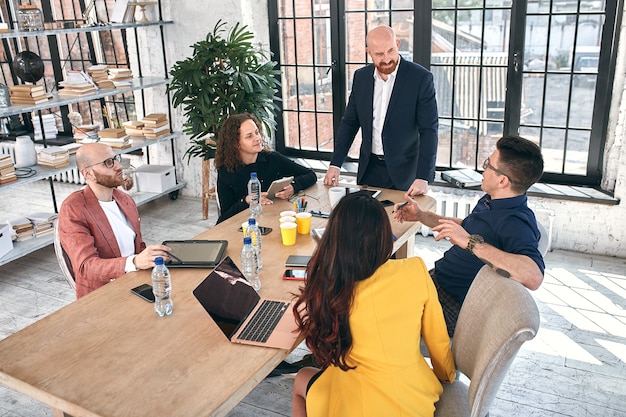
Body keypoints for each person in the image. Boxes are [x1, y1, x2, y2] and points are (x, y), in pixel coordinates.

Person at [291, 192, 455, 417]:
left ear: (334, 239)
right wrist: (446, 374)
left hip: (355, 403)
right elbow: (438, 339)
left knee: (302, 378)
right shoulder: (415, 270)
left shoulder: (330, 288)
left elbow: (323, 347)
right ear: (384, 236)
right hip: (413, 400)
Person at [394, 135, 545, 337]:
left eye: (488, 165)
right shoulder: (491, 200)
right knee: (371, 283)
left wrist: (471, 243)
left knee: (370, 309)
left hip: (451, 305)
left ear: (502, 180)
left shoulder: (517, 222)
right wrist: (422, 216)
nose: (483, 169)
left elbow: (533, 277)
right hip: (436, 281)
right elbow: (466, 228)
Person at [323, 25, 439, 196]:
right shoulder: (361, 78)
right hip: (370, 169)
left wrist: (423, 176)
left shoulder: (420, 78)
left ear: (397, 44)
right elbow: (349, 123)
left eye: (390, 51)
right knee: (365, 222)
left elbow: (429, 130)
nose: (387, 59)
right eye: (379, 54)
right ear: (368, 52)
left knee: (402, 222)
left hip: (406, 173)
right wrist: (335, 164)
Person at [58, 143, 172, 298]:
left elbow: (137, 247)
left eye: (115, 159)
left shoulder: (125, 199)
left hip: (136, 284)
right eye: (108, 163)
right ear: (88, 174)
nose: (118, 166)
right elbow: (86, 267)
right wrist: (135, 262)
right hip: (103, 296)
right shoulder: (73, 208)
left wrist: (150, 259)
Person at [215, 113, 317, 223]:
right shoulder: (226, 171)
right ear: (236, 144)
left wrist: (294, 187)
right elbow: (224, 217)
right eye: (249, 136)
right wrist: (246, 201)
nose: (257, 138)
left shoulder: (273, 159)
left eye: (257, 132)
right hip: (243, 227)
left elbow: (311, 175)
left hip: (272, 219)